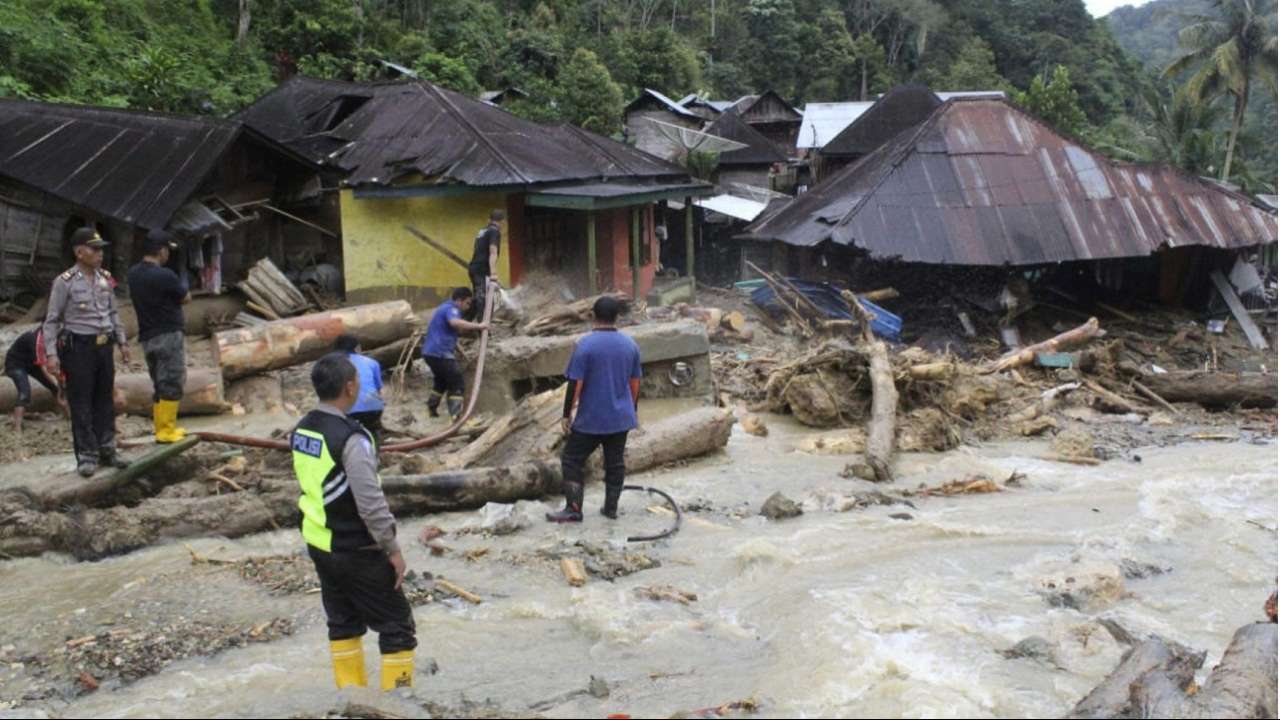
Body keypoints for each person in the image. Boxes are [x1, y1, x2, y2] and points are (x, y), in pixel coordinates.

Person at [292, 353, 417, 691]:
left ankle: (351, 700)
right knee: (397, 626)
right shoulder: (352, 438)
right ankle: (398, 705)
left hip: (320, 543)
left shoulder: (303, 429)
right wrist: (393, 549)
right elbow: (371, 502)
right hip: (356, 548)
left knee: (343, 624)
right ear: (349, 387)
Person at [44, 227, 132, 477]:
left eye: (101, 249)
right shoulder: (65, 282)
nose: (100, 254)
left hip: (104, 346)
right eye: (94, 249)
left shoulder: (105, 278)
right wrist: (51, 354)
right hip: (79, 347)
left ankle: (108, 449)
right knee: (81, 400)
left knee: (104, 398)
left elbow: (113, 313)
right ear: (79, 252)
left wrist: (123, 342)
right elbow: (51, 321)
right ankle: (87, 454)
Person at [546, 296, 642, 524]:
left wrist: (566, 414)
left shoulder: (585, 345)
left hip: (592, 419)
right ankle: (610, 509)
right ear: (617, 317)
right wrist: (632, 410)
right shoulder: (630, 345)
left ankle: (574, 509)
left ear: (592, 316)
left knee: (571, 459)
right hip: (620, 418)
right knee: (615, 463)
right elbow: (635, 383)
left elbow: (575, 383)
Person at [127, 230, 190, 444]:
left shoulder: (133, 274)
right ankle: (166, 430)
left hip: (147, 335)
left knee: (158, 381)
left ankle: (160, 428)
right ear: (161, 251)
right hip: (168, 333)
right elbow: (185, 298)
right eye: (167, 251)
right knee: (172, 379)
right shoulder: (165, 275)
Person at [421, 287, 487, 420]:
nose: (468, 307)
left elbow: (446, 332)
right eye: (467, 303)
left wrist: (461, 351)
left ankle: (431, 410)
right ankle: (457, 418)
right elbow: (455, 323)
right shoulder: (452, 309)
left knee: (441, 381)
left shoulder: (443, 308)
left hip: (430, 353)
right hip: (440, 352)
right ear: (459, 300)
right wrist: (479, 326)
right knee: (457, 383)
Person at [3, 328, 66, 432]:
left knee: (55, 389)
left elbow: (56, 364)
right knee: (24, 392)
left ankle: (67, 417)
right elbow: (45, 368)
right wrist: (57, 382)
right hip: (16, 364)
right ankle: (17, 427)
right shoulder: (36, 339)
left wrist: (60, 385)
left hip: (32, 363)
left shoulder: (55, 339)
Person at [334, 334, 384, 443]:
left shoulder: (334, 364)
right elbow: (379, 390)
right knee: (372, 432)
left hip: (349, 411)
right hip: (374, 409)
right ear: (357, 348)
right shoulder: (372, 362)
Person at [467, 209, 504, 319]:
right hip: (481, 270)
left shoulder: (483, 231)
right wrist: (493, 273)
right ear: (502, 222)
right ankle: (482, 329)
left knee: (478, 297)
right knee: (484, 299)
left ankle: (465, 323)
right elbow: (493, 252)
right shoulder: (494, 231)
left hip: (474, 268)